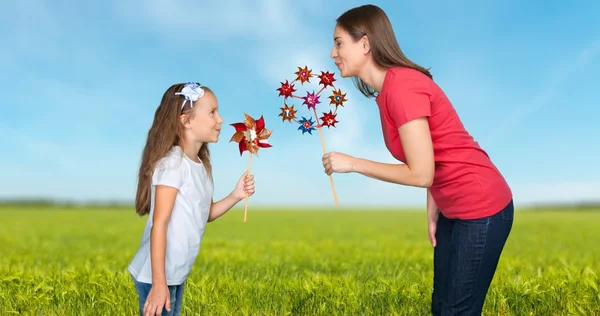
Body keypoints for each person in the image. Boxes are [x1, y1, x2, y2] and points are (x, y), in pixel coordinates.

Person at [322, 4, 514, 315]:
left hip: (482, 207)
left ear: (365, 43)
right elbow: (434, 151)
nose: (332, 53)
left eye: (339, 42)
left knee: (457, 311)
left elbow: (421, 172)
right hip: (453, 210)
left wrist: (355, 163)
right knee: (441, 307)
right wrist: (434, 206)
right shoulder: (386, 92)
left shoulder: (402, 87)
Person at [128, 82, 255, 316]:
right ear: (186, 120)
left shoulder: (200, 165)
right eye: (212, 112)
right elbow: (160, 225)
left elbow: (205, 215)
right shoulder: (173, 164)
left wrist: (237, 195)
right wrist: (158, 285)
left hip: (174, 273)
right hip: (156, 276)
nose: (220, 120)